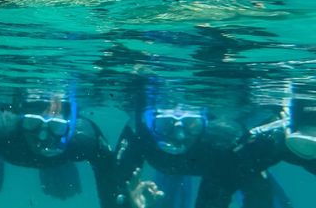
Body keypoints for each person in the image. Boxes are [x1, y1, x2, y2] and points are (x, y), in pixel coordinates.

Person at [113, 77, 288, 208]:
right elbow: (118, 187)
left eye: (191, 124)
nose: (179, 136)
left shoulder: (224, 141)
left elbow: (257, 192)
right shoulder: (138, 131)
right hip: (181, 166)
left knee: (251, 178)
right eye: (165, 125)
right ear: (149, 122)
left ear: (205, 122)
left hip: (219, 166)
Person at [0, 87, 119, 208]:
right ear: (19, 120)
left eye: (56, 126)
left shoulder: (83, 139)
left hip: (38, 154)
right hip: (0, 147)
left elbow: (109, 170)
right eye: (32, 123)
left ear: (67, 125)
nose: (42, 136)